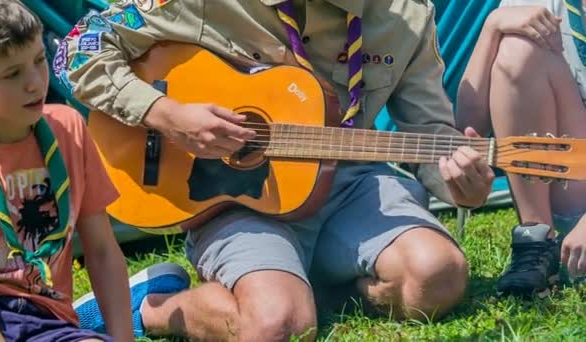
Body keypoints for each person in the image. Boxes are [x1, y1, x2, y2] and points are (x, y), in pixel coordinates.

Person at [61, 0, 495, 340]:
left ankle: (294, 290)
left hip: (348, 183)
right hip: (236, 201)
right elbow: (75, 49)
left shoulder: (405, 13)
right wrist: (165, 113)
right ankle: (155, 308)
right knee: (274, 329)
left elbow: (429, 130)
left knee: (437, 277)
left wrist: (462, 184)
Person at [0, 1, 146, 340]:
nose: (35, 82)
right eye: (12, 74)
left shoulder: (68, 129)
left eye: (40, 61)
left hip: (43, 317)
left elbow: (100, 249)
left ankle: (119, 312)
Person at [457, 0, 586, 297]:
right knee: (517, 45)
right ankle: (537, 244)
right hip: (570, 188)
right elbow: (470, 125)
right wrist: (493, 25)